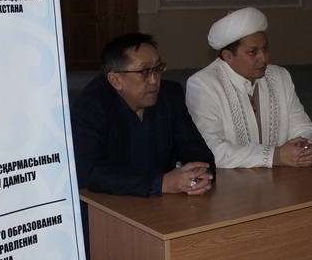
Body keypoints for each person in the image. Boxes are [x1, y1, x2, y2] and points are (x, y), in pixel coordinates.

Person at [72, 32, 214, 197]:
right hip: (110, 201)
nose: (154, 80)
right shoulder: (90, 107)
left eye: (157, 69)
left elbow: (194, 147)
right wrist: (162, 183)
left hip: (162, 200)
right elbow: (92, 172)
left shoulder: (170, 95)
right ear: (115, 80)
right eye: (145, 71)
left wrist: (200, 175)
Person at [186, 7, 312, 169]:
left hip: (281, 177)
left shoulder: (280, 76)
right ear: (228, 56)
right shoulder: (203, 84)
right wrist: (275, 155)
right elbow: (210, 149)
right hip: (228, 181)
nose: (263, 58)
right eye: (252, 52)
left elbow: (303, 127)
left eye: (265, 48)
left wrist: (307, 148)